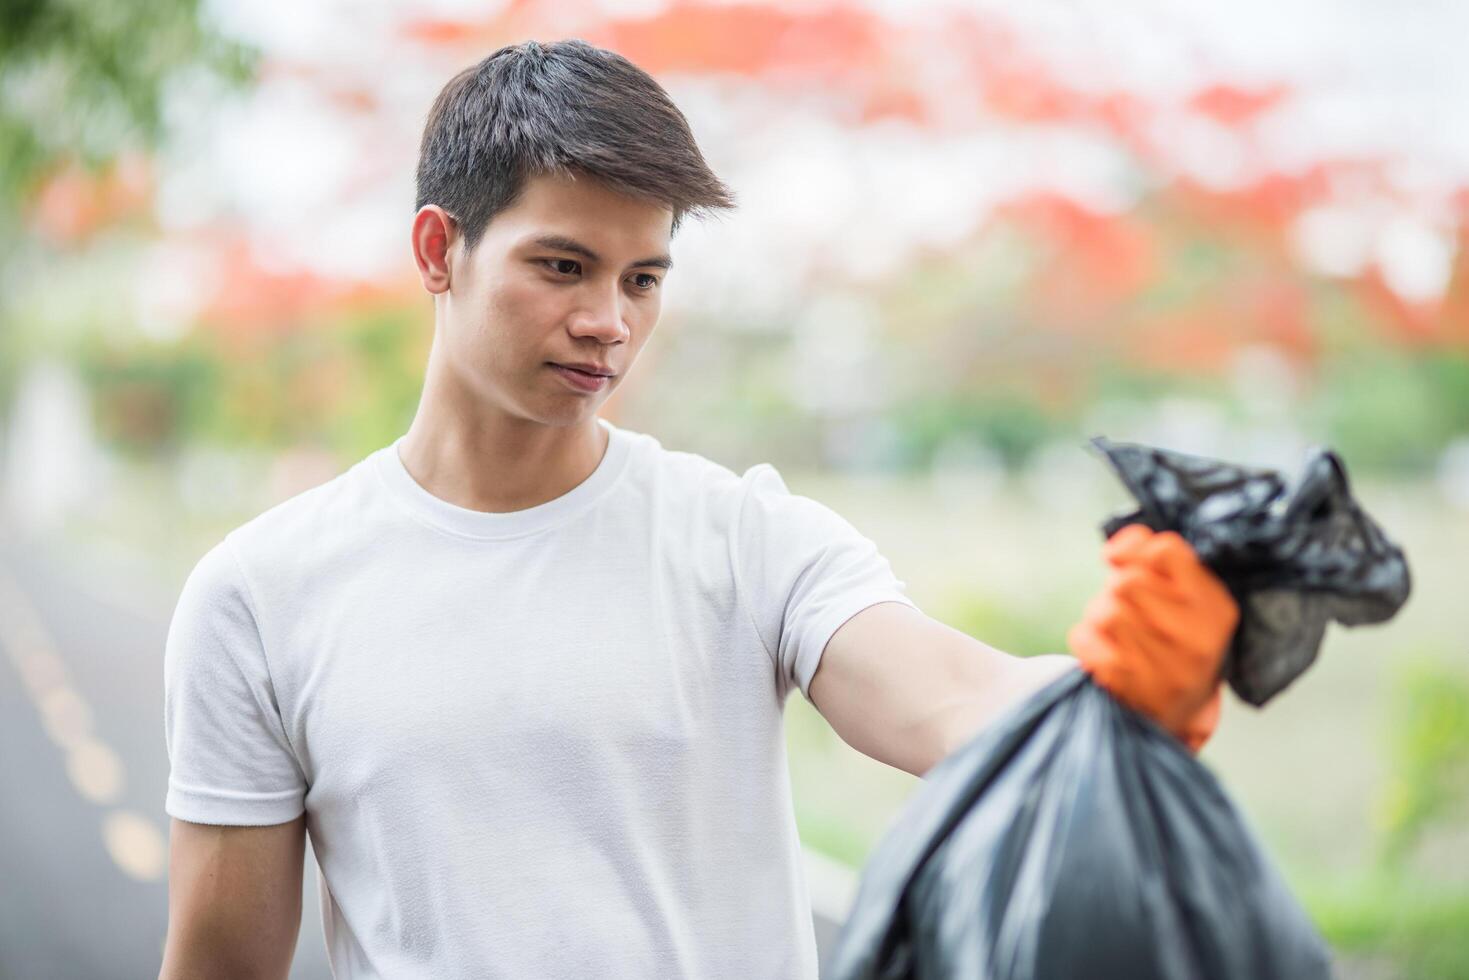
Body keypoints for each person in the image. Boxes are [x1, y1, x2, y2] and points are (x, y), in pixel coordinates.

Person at [157, 39, 1237, 980]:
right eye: (563, 265)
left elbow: (949, 696)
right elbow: (219, 961)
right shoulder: (261, 595)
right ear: (439, 250)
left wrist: (1119, 689)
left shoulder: (744, 538)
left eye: (641, 279)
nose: (607, 323)